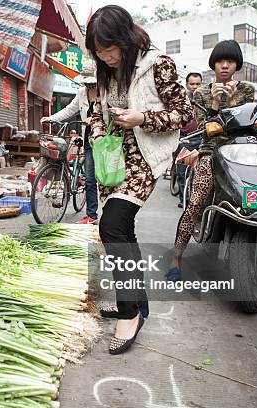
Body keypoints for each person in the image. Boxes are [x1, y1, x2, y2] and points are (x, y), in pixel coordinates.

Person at [86, 5, 194, 354]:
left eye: (108, 48)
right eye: (98, 51)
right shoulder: (105, 69)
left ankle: (130, 315)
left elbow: (185, 113)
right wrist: (99, 133)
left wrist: (142, 117)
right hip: (113, 159)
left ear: (124, 38)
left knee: (112, 226)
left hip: (145, 157)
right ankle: (134, 302)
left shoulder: (156, 64)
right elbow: (94, 112)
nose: (104, 56)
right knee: (123, 230)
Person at [168, 39, 257, 286]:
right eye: (220, 61)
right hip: (211, 151)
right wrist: (217, 104)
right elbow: (204, 129)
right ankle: (176, 257)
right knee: (196, 201)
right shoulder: (201, 92)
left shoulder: (247, 90)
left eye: (230, 61)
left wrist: (231, 103)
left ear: (236, 65)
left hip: (245, 149)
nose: (225, 65)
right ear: (214, 64)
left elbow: (248, 120)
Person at [41, 61, 99, 224]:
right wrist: (51, 118)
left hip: (102, 141)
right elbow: (69, 110)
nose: (89, 85)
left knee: (100, 179)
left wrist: (94, 119)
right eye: (86, 83)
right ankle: (92, 215)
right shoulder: (82, 92)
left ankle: (101, 215)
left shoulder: (104, 92)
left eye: (91, 83)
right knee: (89, 178)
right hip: (87, 139)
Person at [175, 72, 203, 207]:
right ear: (187, 85)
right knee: (183, 172)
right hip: (183, 139)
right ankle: (184, 200)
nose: (195, 87)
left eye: (198, 84)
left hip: (201, 139)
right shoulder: (180, 99)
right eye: (192, 84)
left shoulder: (205, 98)